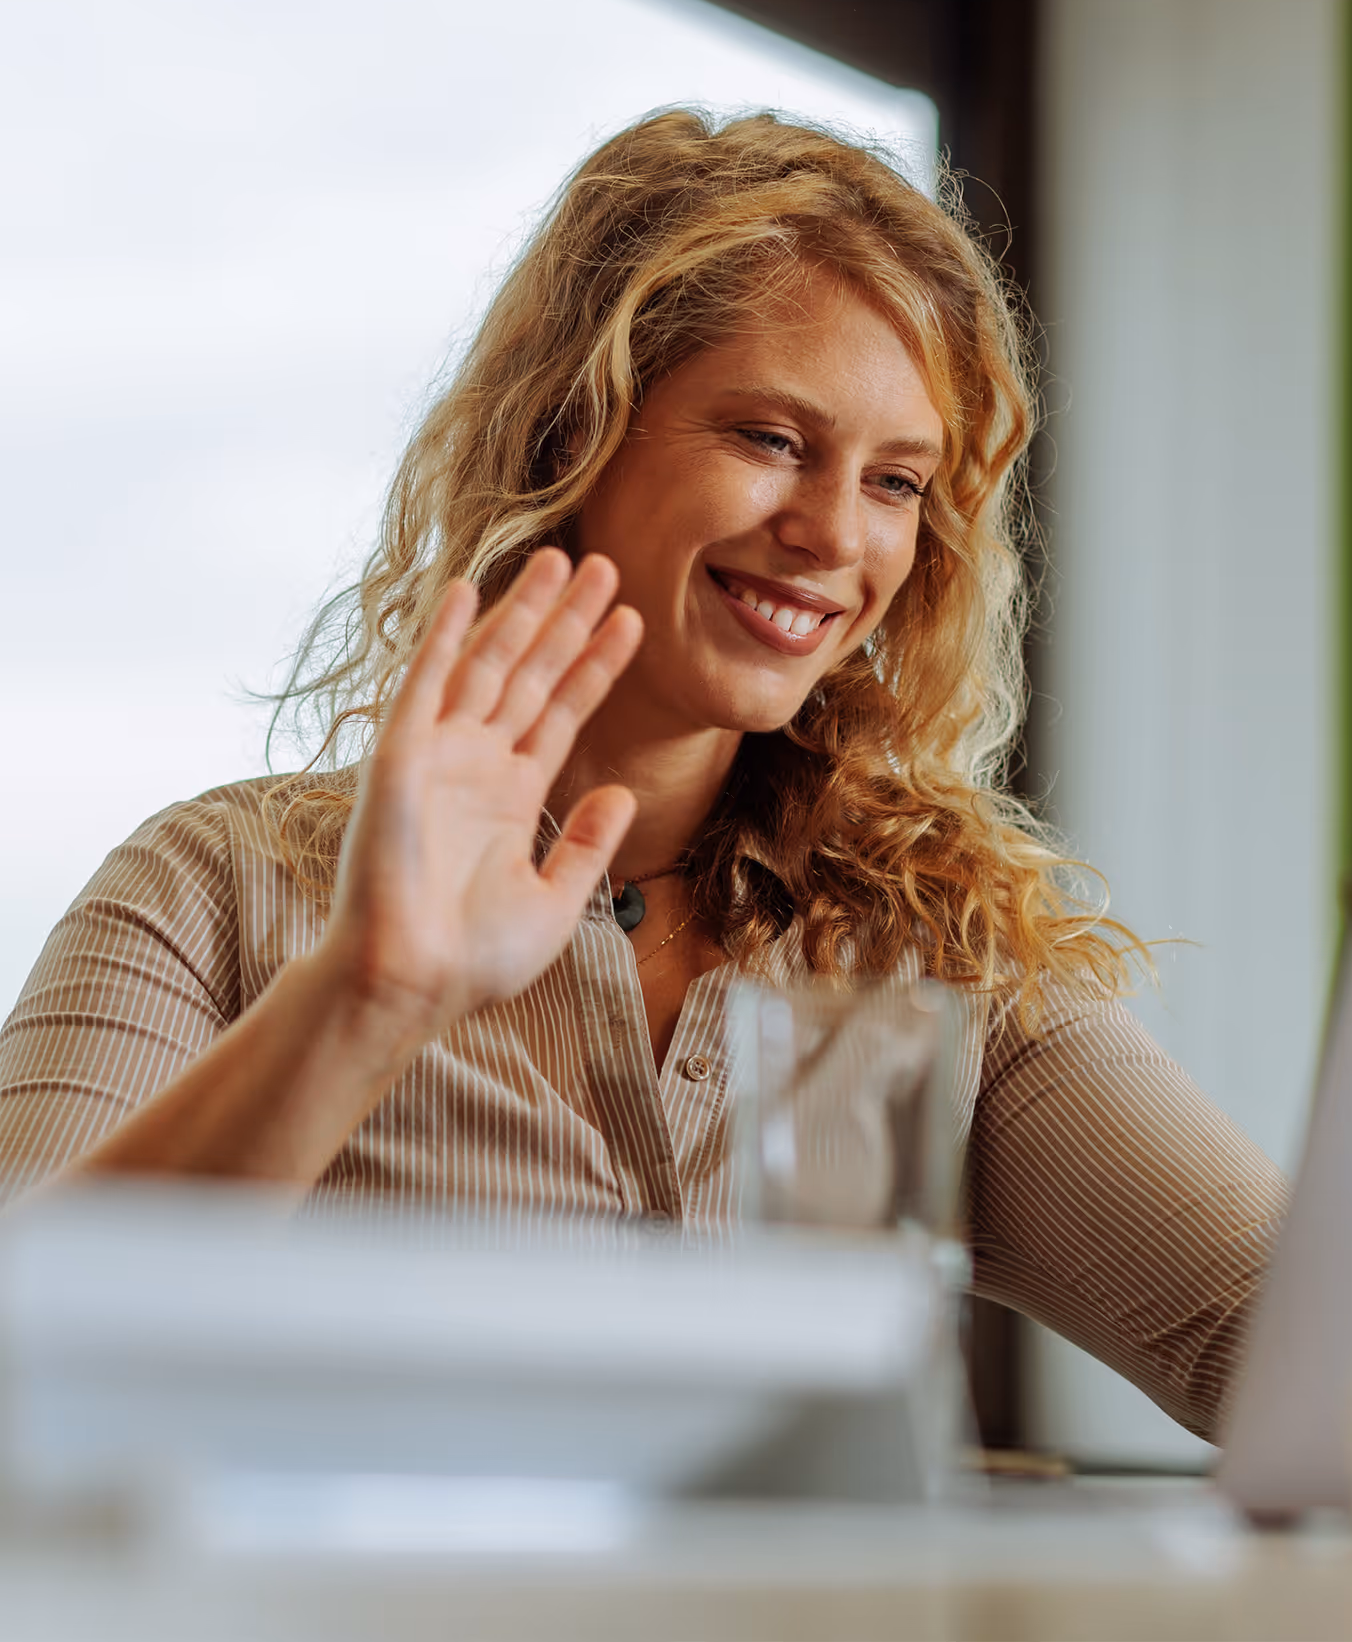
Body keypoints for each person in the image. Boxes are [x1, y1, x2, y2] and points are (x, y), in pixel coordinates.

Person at [0, 111, 1285, 1440]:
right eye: (772, 441)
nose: (834, 534)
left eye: (897, 482)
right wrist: (368, 994)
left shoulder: (944, 950)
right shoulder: (214, 890)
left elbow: (1298, 1359)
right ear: (575, 434)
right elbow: (18, 1372)